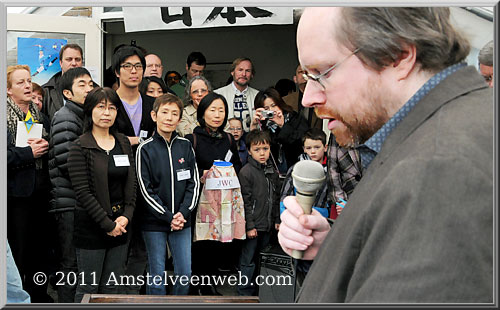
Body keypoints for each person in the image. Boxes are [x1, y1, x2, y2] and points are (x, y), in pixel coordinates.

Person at [278, 7, 493, 303]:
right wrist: (339, 246)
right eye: (306, 76)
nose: (308, 97)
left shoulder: (439, 171)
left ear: (399, 56)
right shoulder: (436, 136)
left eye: (322, 73)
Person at [67, 87, 136, 303]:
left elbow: (131, 183)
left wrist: (126, 216)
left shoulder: (123, 142)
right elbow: (83, 193)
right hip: (92, 226)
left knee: (113, 287)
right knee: (88, 287)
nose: (106, 113)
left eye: (112, 108)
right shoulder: (79, 146)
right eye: (101, 107)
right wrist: (108, 225)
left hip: (122, 224)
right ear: (90, 110)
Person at [136, 93, 200, 295]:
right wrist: (168, 216)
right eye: (164, 112)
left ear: (180, 119)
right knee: (157, 278)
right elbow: (145, 190)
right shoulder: (144, 149)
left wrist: (182, 213)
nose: (169, 118)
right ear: (154, 116)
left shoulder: (186, 146)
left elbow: (194, 184)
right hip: (154, 222)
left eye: (174, 114)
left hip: (182, 220)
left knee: (185, 275)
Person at [185, 92, 242, 295]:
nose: (217, 115)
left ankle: (209, 285)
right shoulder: (192, 138)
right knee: (199, 243)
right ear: (202, 112)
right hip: (199, 201)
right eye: (212, 110)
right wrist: (201, 173)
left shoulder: (228, 139)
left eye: (221, 110)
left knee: (217, 243)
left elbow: (237, 165)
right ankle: (194, 285)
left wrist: (228, 171)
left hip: (222, 201)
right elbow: (185, 170)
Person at [47, 67, 94, 303]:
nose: (89, 89)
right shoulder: (66, 117)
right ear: (67, 92)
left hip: (77, 201)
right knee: (70, 265)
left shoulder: (83, 115)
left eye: (90, 84)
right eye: (82, 85)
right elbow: (68, 163)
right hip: (69, 203)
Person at [7, 65, 52, 303]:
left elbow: (44, 146)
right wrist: (28, 153)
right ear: (8, 90)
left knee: (40, 253)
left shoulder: (37, 113)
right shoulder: (4, 116)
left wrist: (46, 146)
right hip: (14, 198)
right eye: (20, 82)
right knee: (18, 254)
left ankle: (39, 296)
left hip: (40, 193)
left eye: (29, 81)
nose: (27, 85)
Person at [112, 45, 155, 294]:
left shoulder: (152, 103)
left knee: (142, 246)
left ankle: (132, 295)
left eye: (138, 66)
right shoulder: (108, 101)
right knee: (119, 245)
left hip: (147, 183)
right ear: (117, 71)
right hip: (116, 184)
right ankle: (113, 295)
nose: (133, 71)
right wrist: (128, 140)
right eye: (127, 66)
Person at [237, 129, 280, 296]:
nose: (262, 153)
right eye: (257, 149)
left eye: (265, 149)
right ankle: (244, 292)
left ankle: (260, 291)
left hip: (268, 225)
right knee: (248, 261)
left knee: (263, 260)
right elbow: (244, 203)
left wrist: (277, 219)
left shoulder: (272, 171)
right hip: (253, 226)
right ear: (249, 151)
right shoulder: (246, 172)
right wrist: (250, 226)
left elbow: (275, 198)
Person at [250, 87, 309, 175]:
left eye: (273, 105)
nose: (271, 110)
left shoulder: (295, 118)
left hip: (297, 169)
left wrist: (282, 124)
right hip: (272, 172)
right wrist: (254, 125)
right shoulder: (263, 125)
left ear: (280, 103)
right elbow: (254, 149)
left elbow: (300, 143)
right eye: (266, 108)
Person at [214, 57, 259, 133]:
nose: (243, 74)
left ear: (252, 75)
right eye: (240, 70)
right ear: (232, 72)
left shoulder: (258, 95)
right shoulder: (218, 94)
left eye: (247, 71)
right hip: (225, 140)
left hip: (251, 140)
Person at [42, 43, 83, 120]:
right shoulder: (46, 91)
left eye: (77, 59)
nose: (74, 63)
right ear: (61, 63)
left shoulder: (93, 90)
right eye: (69, 59)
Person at [282, 65, 322, 130]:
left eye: (307, 72)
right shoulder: (286, 101)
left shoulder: (322, 99)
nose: (304, 75)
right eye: (301, 72)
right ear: (295, 79)